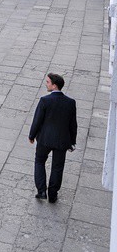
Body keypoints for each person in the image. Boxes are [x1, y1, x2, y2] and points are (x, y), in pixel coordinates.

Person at [29, 73, 77, 203]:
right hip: (62, 141)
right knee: (57, 166)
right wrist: (72, 142)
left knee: (39, 162)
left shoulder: (45, 100)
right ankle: (53, 193)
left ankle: (42, 191)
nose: (46, 84)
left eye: (48, 82)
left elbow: (37, 120)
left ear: (54, 85)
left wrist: (32, 135)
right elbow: (73, 124)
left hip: (45, 139)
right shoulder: (70, 103)